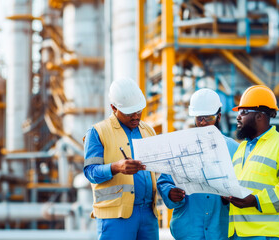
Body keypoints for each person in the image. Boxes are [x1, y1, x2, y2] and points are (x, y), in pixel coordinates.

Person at [157, 88, 239, 240]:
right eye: (198, 118)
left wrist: (231, 196)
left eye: (208, 118)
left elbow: (244, 188)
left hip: (220, 231)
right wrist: (169, 192)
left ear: (219, 117)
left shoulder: (234, 150)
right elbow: (164, 181)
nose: (202, 123)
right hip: (188, 232)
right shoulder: (178, 148)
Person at [83, 78, 159, 240]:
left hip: (148, 214)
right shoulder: (98, 132)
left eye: (139, 111)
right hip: (115, 217)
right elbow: (90, 172)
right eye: (129, 113)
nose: (136, 116)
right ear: (113, 108)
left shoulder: (148, 130)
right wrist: (116, 167)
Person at [224, 85, 279, 240]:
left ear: (260, 116)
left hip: (267, 235)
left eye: (243, 112)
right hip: (237, 234)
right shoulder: (241, 149)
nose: (238, 117)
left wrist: (256, 201)